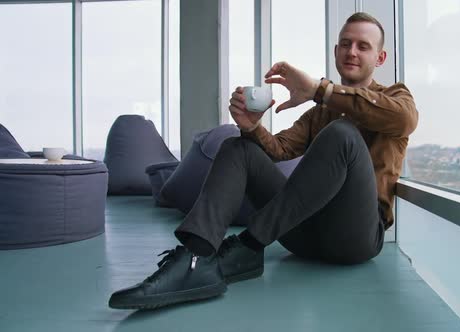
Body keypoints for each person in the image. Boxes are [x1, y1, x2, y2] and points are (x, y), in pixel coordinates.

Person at [109, 12, 418, 310]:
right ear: (336, 51)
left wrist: (320, 90)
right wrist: (252, 127)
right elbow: (279, 150)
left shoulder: (396, 97)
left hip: (355, 239)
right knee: (237, 147)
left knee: (342, 133)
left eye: (363, 46)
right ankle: (196, 258)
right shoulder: (319, 114)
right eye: (346, 44)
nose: (352, 51)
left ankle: (249, 243)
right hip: (304, 236)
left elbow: (403, 119)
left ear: (380, 58)